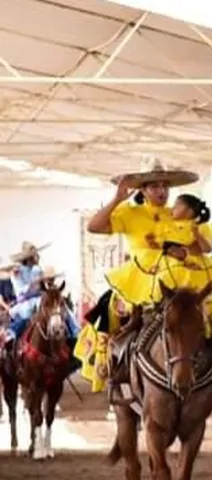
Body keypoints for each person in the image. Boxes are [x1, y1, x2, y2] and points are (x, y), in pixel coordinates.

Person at [75, 159, 199, 391]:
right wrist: (117, 200)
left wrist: (183, 251)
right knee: (111, 307)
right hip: (141, 274)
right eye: (154, 186)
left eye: (165, 186)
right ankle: (106, 362)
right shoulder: (130, 213)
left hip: (178, 272)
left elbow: (195, 247)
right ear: (142, 189)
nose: (161, 191)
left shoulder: (179, 214)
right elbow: (94, 227)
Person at [5, 264, 81, 354]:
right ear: (44, 279)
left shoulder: (55, 288)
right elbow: (29, 297)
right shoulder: (38, 288)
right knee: (26, 316)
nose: (51, 280)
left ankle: (74, 335)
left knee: (66, 313)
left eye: (52, 278)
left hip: (52, 306)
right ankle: (13, 337)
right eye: (48, 278)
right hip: (39, 304)